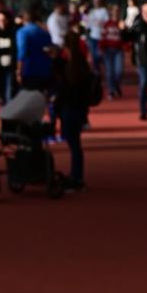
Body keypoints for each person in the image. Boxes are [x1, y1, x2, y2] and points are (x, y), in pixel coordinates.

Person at [55, 32, 95, 192]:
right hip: (80, 108)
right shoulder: (82, 63)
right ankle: (76, 176)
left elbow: (62, 88)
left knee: (74, 144)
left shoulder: (67, 65)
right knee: (75, 144)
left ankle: (77, 178)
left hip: (69, 107)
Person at [16, 9, 53, 92]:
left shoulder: (22, 32)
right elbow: (51, 50)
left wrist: (19, 71)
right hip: (44, 69)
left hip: (29, 70)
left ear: (24, 20)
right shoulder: (44, 32)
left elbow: (22, 53)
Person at [100, 5, 124, 99]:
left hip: (118, 50)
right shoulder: (107, 24)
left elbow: (126, 37)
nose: (116, 14)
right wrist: (101, 48)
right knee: (109, 71)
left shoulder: (121, 24)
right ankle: (111, 90)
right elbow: (103, 36)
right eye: (114, 12)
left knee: (118, 71)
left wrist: (123, 29)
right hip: (108, 50)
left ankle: (116, 86)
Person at [84, 0, 109, 75]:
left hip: (101, 37)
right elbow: (87, 24)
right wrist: (84, 15)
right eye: (95, 1)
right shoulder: (91, 11)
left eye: (98, 1)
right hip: (93, 36)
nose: (96, 3)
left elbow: (107, 22)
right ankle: (97, 72)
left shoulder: (104, 10)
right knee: (94, 55)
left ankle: (106, 70)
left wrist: (101, 23)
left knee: (101, 55)